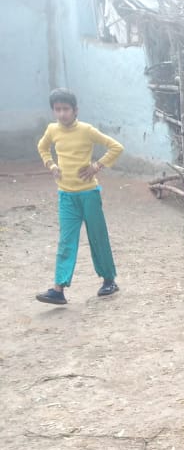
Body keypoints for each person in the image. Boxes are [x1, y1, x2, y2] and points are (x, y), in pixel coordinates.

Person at [36, 88, 123, 304]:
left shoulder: (86, 130)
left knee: (97, 237)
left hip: (89, 194)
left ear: (75, 110)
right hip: (66, 195)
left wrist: (97, 166)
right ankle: (58, 289)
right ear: (53, 111)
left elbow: (116, 147)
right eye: (57, 109)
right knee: (66, 241)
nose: (62, 114)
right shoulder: (52, 130)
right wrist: (51, 165)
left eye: (66, 109)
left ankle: (109, 280)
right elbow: (42, 147)